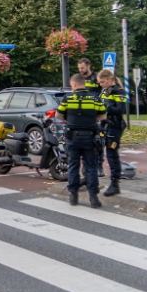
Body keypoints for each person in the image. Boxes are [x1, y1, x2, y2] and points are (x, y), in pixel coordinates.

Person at [58, 73, 107, 208]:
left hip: (72, 138)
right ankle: (93, 197)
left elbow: (59, 115)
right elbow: (103, 116)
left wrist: (70, 119)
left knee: (73, 166)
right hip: (90, 138)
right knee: (91, 167)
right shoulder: (95, 99)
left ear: (74, 84)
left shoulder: (67, 98)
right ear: (83, 84)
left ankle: (73, 195)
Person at [98, 69, 127, 197]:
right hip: (105, 125)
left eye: (103, 82)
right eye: (99, 82)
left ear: (110, 79)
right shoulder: (104, 92)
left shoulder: (119, 92)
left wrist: (106, 107)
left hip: (115, 126)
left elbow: (121, 110)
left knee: (111, 154)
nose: (101, 84)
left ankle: (115, 184)